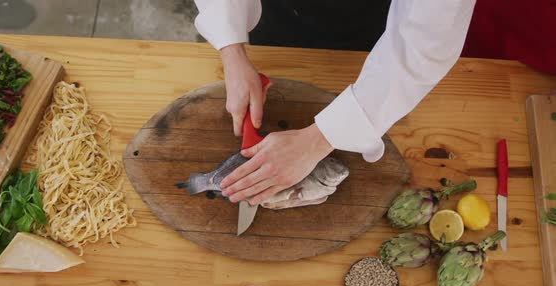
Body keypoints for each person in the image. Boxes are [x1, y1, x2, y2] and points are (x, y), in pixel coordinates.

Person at [193, 0, 476, 205]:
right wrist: (231, 48)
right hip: (276, 18)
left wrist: (318, 140)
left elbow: (423, 43)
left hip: (369, 39)